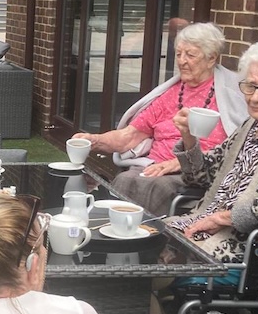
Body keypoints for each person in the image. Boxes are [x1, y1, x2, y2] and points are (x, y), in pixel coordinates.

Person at [165, 39, 258, 266]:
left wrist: (223, 218)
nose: (254, 97)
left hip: (250, 244)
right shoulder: (250, 126)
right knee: (147, 235)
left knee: (154, 255)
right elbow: (200, 177)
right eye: (251, 86)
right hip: (204, 224)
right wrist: (189, 136)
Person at [80, 22, 248, 216]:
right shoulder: (169, 94)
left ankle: (147, 233)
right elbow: (130, 135)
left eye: (190, 55)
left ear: (211, 58)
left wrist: (178, 163)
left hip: (196, 173)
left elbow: (236, 148)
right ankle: (111, 229)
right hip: (153, 165)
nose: (182, 61)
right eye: (179, 54)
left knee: (154, 186)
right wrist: (95, 140)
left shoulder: (232, 96)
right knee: (124, 179)